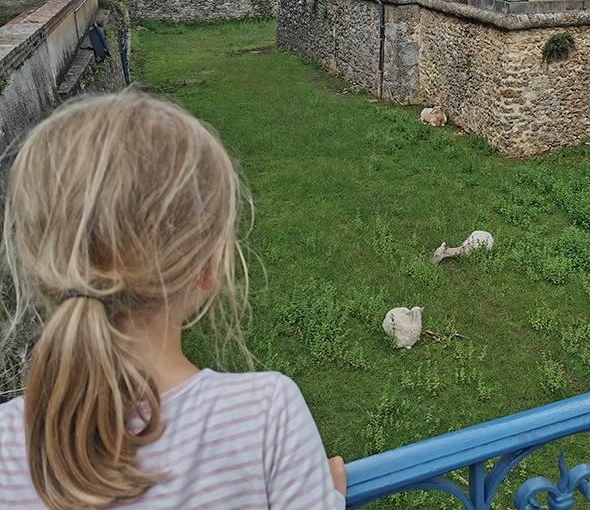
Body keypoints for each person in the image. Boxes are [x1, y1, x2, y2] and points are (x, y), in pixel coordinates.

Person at [0, 90, 347, 509]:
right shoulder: (265, 419)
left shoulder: (7, 442)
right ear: (209, 266)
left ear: (40, 262)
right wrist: (325, 496)